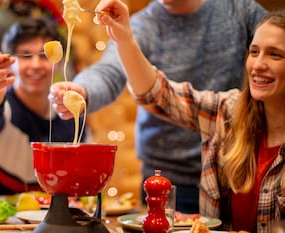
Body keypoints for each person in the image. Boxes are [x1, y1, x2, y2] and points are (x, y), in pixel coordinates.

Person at [77, 1, 285, 231]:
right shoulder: (228, 112)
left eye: (275, 55)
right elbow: (157, 94)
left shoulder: (239, 10)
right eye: (254, 52)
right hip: (164, 176)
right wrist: (84, 89)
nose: (258, 64)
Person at [0, 17, 87, 195]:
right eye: (26, 55)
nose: (36, 65)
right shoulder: (0, 104)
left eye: (45, 56)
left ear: (59, 63)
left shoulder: (70, 114)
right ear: (11, 63)